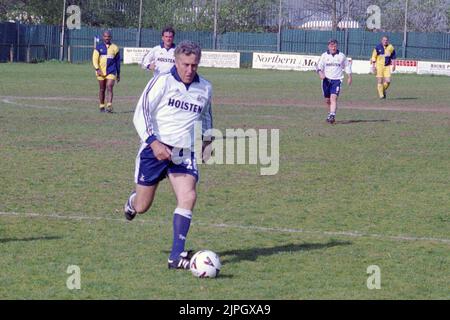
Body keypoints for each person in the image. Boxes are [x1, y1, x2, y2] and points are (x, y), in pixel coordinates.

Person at [124, 40, 213, 270]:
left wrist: (207, 142)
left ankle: (175, 257)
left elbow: (206, 117)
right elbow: (140, 114)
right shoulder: (162, 81)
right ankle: (132, 202)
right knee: (143, 206)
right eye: (185, 64)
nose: (189, 70)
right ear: (176, 61)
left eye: (194, 65)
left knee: (189, 196)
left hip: (184, 152)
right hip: (155, 151)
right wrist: (154, 144)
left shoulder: (205, 88)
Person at [316, 39, 352, 124]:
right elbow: (318, 66)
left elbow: (347, 66)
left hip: (337, 80)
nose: (333, 47)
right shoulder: (324, 56)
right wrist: (320, 73)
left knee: (333, 98)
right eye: (331, 46)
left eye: (335, 46)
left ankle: (332, 115)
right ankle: (330, 114)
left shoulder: (341, 56)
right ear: (328, 46)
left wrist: (349, 76)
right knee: (327, 100)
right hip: (326, 80)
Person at [92, 30, 120, 113]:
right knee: (102, 89)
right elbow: (94, 59)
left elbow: (118, 62)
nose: (107, 38)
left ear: (110, 37)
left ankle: (109, 105)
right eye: (105, 36)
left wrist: (118, 74)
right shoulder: (98, 47)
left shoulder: (115, 48)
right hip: (100, 71)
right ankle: (101, 106)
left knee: (109, 86)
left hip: (111, 71)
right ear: (103, 37)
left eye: (108, 36)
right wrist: (97, 69)